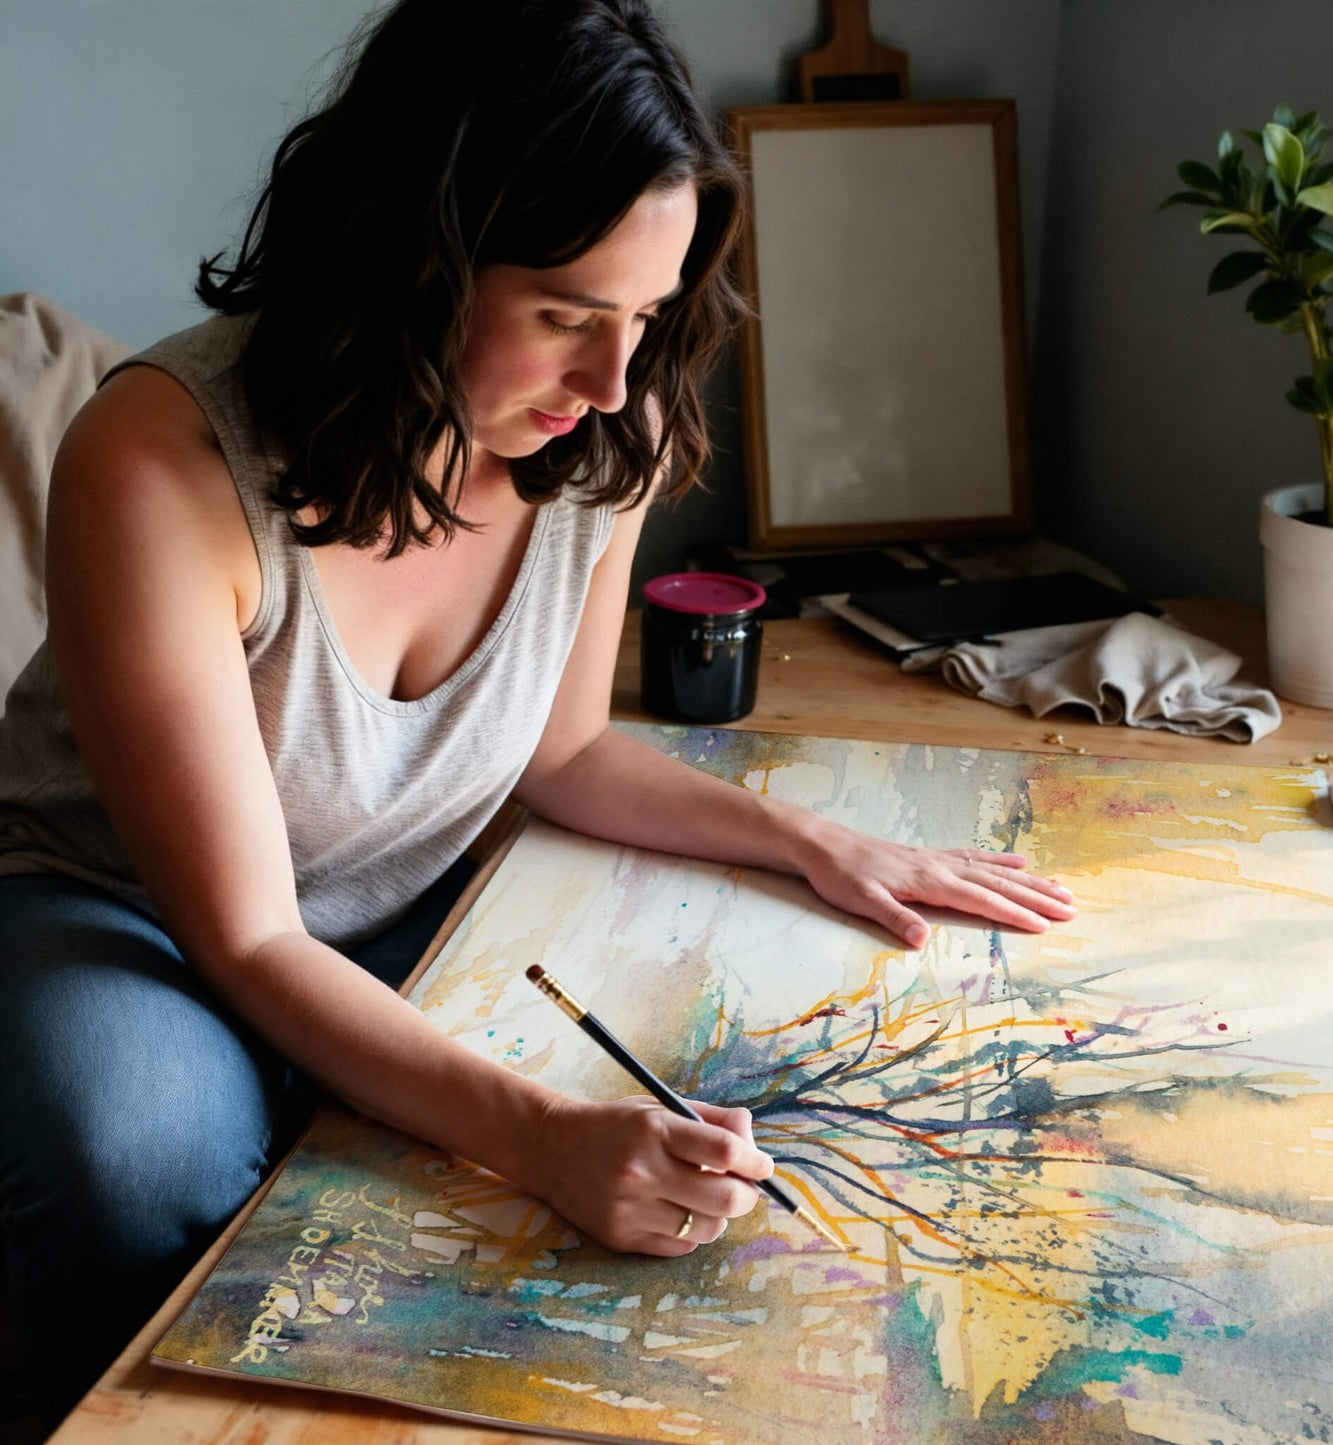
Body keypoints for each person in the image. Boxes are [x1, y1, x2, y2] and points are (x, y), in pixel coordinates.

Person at [0, 0, 1075, 1423]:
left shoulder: (598, 432)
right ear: (409, 260)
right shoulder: (158, 461)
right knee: (137, 1149)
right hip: (123, 906)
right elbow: (247, 931)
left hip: (389, 890)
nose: (614, 378)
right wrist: (539, 1134)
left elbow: (560, 752)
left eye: (644, 317)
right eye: (568, 315)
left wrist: (806, 839)